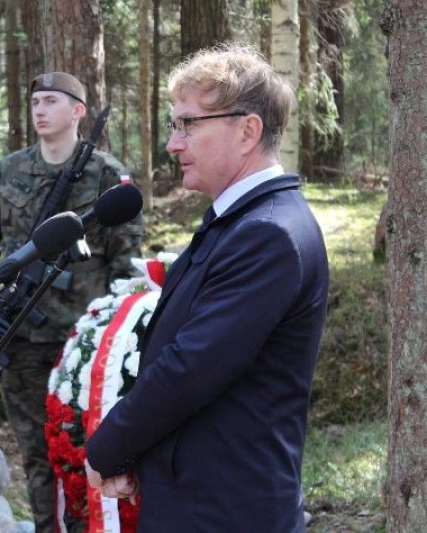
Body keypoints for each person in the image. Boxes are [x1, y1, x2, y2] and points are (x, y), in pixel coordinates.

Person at [84, 43, 329, 532]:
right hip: (197, 497)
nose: (174, 144)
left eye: (188, 124)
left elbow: (191, 367)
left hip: (227, 510)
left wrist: (108, 448)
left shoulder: (269, 233)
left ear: (248, 130)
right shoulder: (237, 220)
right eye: (175, 126)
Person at [0, 72, 144, 533]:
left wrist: (110, 339)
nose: (39, 109)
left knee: (88, 454)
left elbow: (127, 267)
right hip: (20, 340)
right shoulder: (9, 169)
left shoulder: (106, 174)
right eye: (35, 101)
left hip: (83, 351)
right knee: (37, 458)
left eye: (51, 101)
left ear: (78, 111)